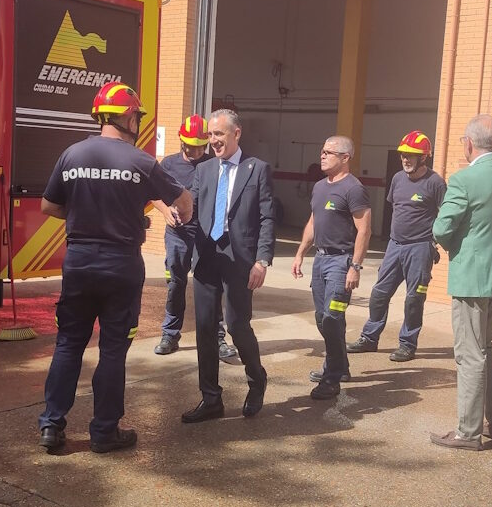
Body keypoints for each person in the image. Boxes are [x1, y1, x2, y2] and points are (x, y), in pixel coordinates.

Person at [37, 82, 192, 454]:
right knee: (111, 350)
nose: (137, 121)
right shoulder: (140, 161)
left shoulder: (71, 155)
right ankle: (104, 432)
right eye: (136, 115)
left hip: (78, 262)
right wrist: (177, 215)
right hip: (121, 264)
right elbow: (182, 199)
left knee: (68, 345)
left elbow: (48, 207)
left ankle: (51, 427)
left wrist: (83, 214)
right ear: (125, 116)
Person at [429, 114, 492, 451]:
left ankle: (467, 432)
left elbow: (441, 229)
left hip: (472, 277)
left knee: (470, 354)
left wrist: (452, 246)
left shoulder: (464, 179)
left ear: (469, 143)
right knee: (486, 347)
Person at [181, 109, 275, 423]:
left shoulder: (257, 169)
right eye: (210, 135)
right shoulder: (204, 169)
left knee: (237, 326)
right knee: (205, 329)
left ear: (237, 133)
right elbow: (191, 209)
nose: (213, 141)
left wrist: (261, 261)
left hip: (240, 261)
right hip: (207, 258)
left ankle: (256, 378)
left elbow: (266, 218)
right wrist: (177, 214)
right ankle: (210, 399)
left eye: (219, 134)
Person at [346, 130, 446, 362]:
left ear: (424, 157)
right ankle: (369, 339)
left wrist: (435, 242)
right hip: (394, 246)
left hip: (420, 248)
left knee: (414, 299)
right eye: (403, 155)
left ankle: (407, 345)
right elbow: (397, 209)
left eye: (411, 155)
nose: (405, 159)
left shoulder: (435, 183)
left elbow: (447, 215)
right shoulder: (398, 179)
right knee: (379, 294)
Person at [292, 136, 371, 399]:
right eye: (322, 151)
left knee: (332, 318)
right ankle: (341, 366)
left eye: (329, 152)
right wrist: (300, 253)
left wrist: (355, 266)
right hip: (321, 261)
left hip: (341, 262)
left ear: (345, 158)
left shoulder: (354, 189)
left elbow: (364, 230)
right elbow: (313, 222)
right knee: (321, 318)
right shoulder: (319, 187)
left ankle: (332, 378)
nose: (322, 156)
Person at [151, 114, 234, 361]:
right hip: (177, 234)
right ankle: (170, 335)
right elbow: (153, 192)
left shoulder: (215, 165)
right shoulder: (168, 165)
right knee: (176, 284)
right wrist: (166, 211)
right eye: (190, 146)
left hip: (205, 235)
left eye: (200, 147)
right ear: (181, 141)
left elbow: (223, 200)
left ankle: (217, 338)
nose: (195, 151)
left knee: (211, 285)